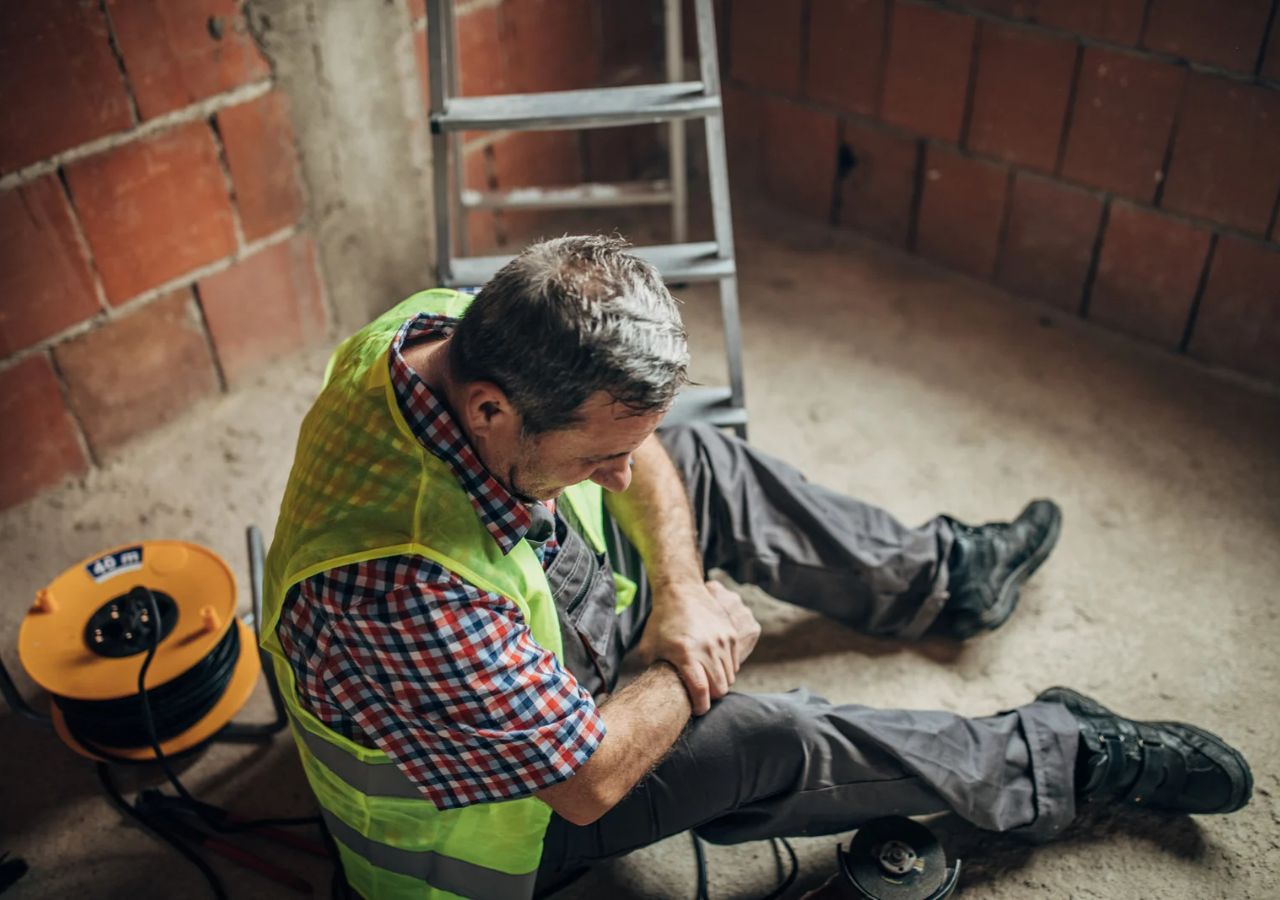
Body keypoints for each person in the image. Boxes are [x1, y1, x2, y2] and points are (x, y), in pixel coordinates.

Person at [260, 236, 1252, 900]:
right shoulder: (404, 588)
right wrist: (690, 662)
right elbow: (587, 778)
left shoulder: (452, 330)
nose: (617, 468)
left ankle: (942, 578)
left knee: (697, 467)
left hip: (518, 641)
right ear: (487, 409)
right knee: (768, 732)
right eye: (592, 453)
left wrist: (684, 595)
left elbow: (639, 449)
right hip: (496, 828)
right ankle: (1062, 755)